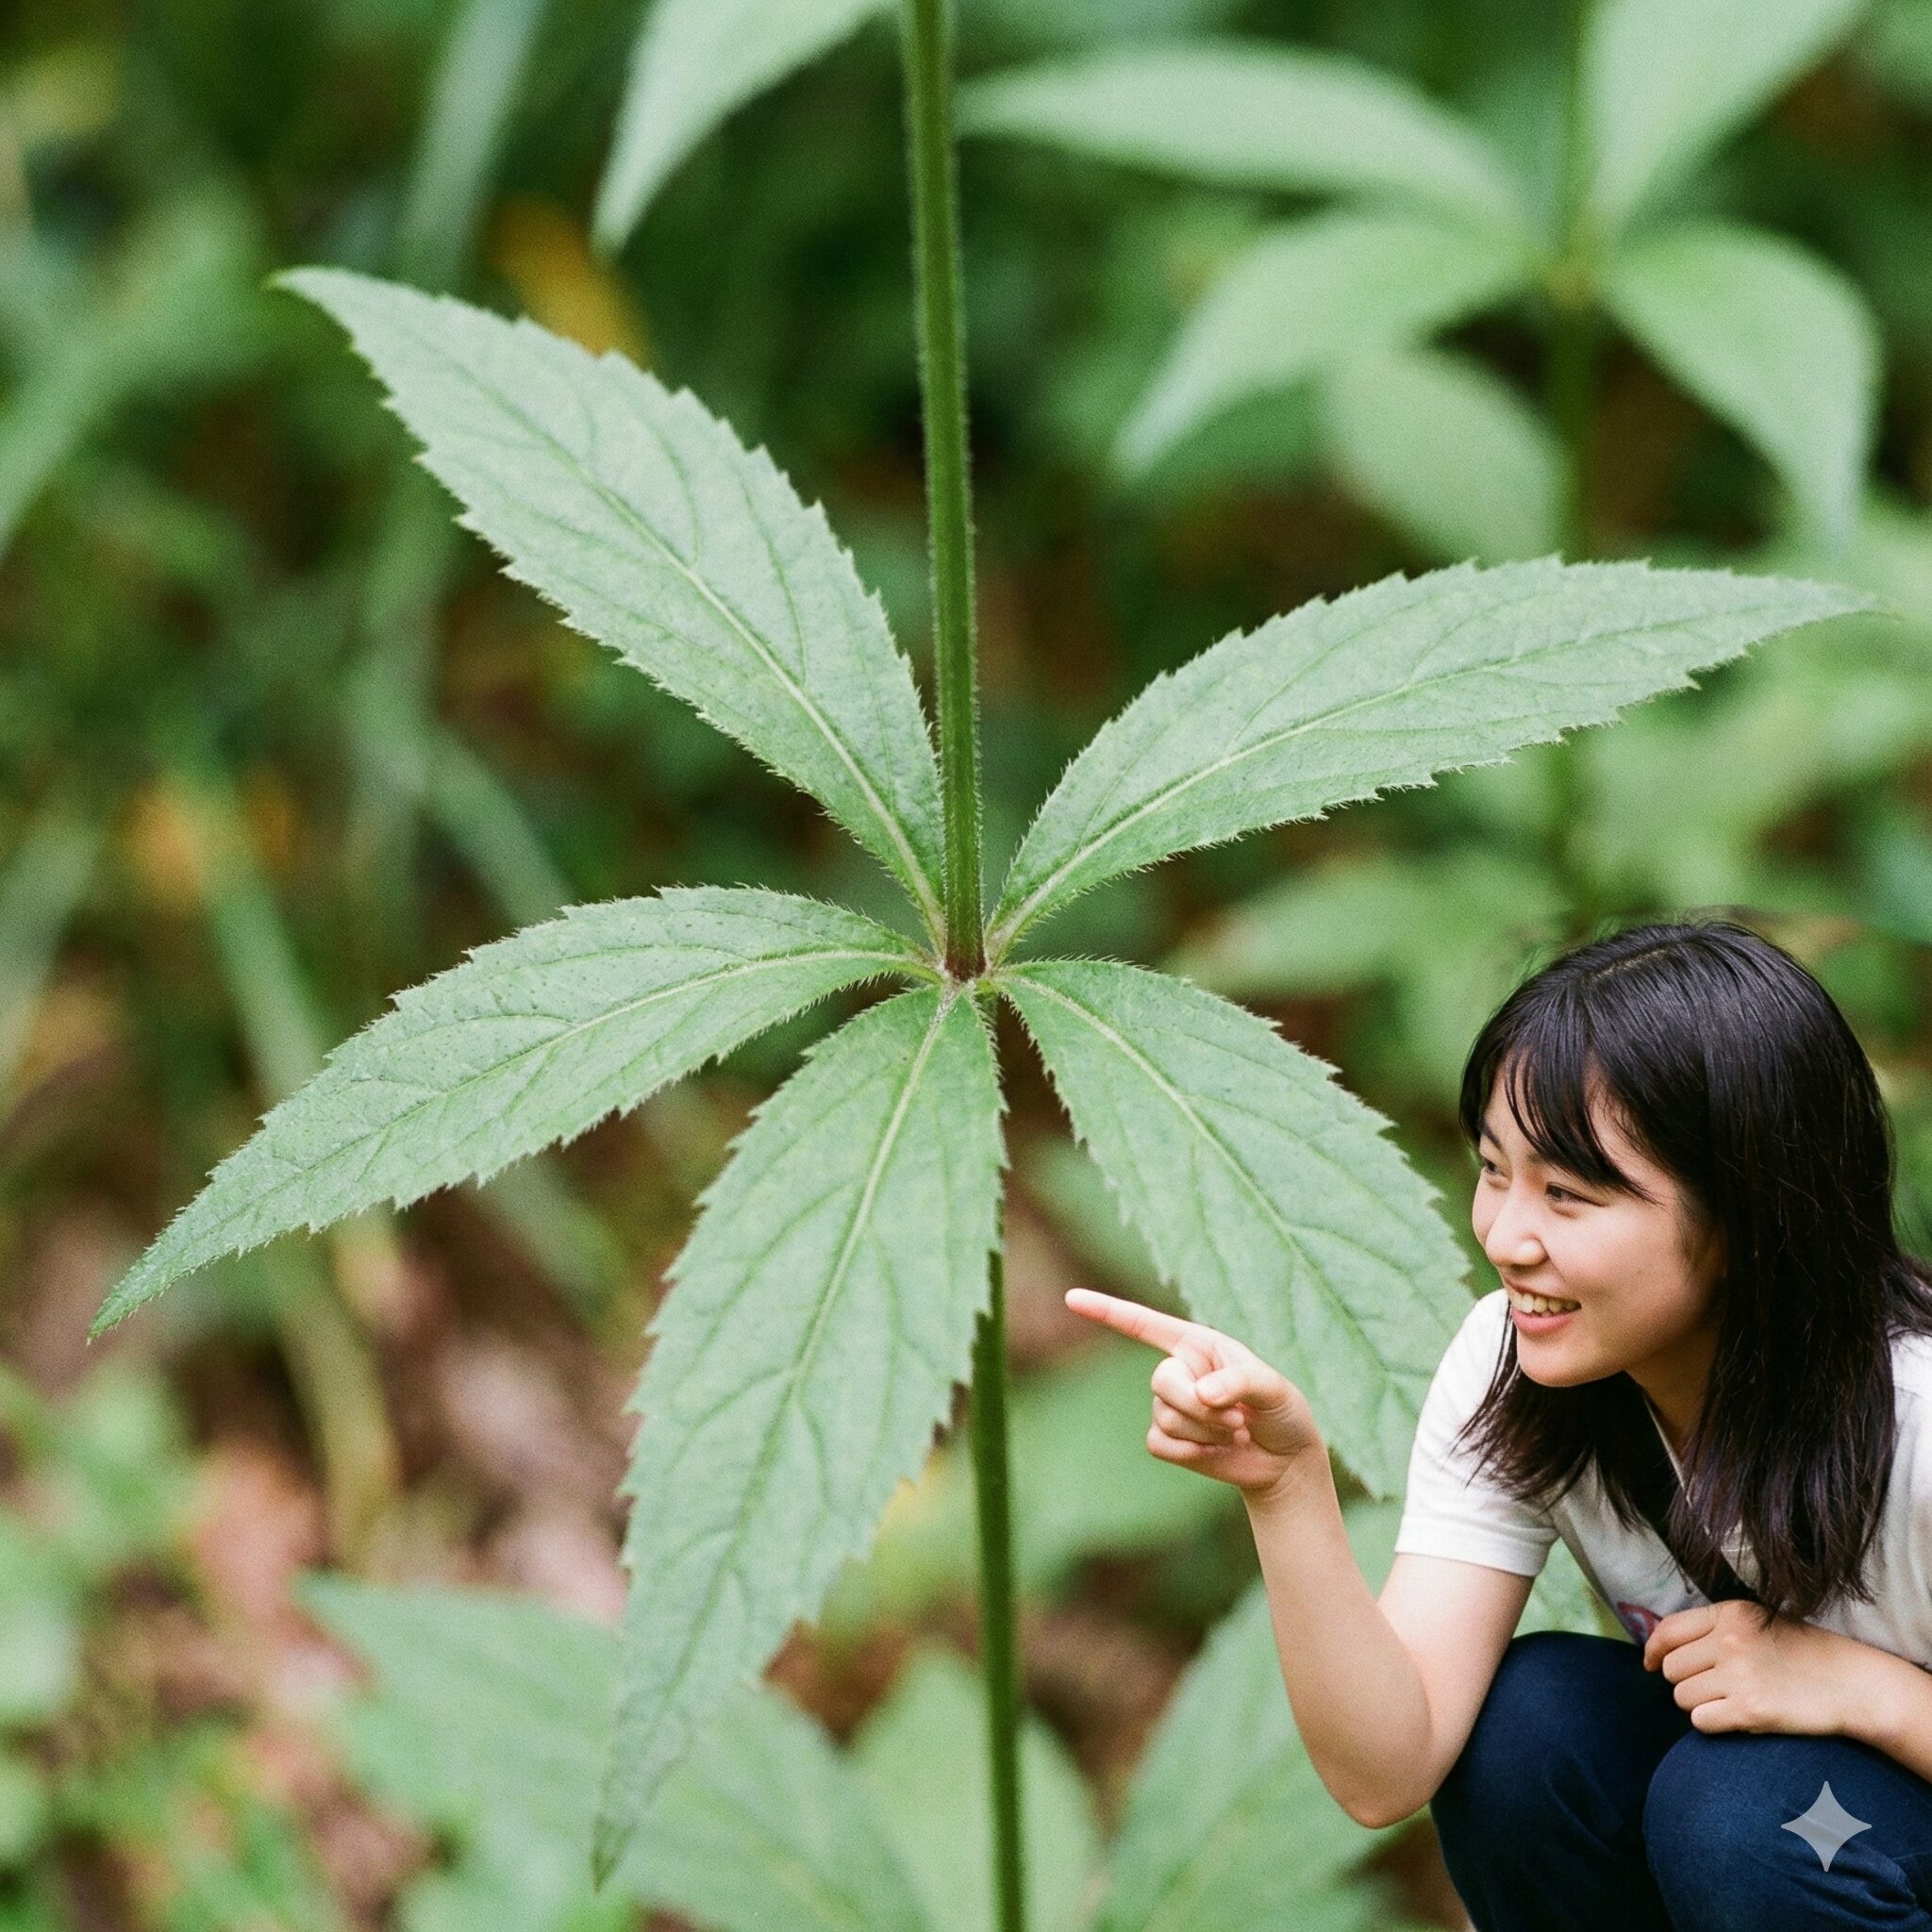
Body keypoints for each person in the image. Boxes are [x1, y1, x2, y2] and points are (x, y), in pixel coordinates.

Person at [1068, 918, 1932, 1929]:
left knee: (1742, 1815)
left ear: (1745, 1214)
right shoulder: (1514, 1360)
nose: (1506, 1237)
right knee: (1523, 1730)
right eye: (1491, 1169)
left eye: (1566, 1194)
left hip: (1837, 1820)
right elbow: (1386, 1767)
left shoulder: (1911, 1416)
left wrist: (1862, 1689)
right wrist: (1284, 1485)